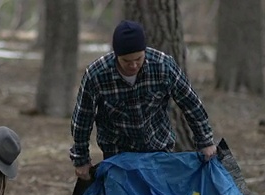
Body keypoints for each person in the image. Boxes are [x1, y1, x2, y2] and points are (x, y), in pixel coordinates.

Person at [70, 20, 217, 180]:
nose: (133, 65)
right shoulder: (97, 74)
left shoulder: (163, 66)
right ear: (116, 55)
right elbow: (82, 119)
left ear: (144, 51)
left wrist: (205, 140)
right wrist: (81, 158)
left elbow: (190, 103)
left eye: (138, 59)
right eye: (126, 61)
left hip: (158, 148)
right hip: (117, 154)